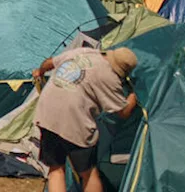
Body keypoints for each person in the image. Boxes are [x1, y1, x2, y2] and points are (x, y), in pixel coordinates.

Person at [33, 48, 139, 192]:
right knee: (88, 173)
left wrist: (40, 71)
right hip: (75, 123)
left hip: (47, 114)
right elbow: (123, 112)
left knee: (56, 169)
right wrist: (135, 94)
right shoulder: (110, 78)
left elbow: (49, 62)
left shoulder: (83, 52)